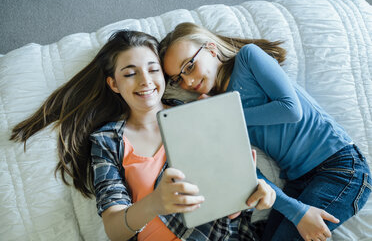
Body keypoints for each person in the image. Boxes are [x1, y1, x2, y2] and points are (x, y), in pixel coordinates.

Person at [10, 29, 276, 241]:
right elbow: (114, 230)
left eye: (152, 69)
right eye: (130, 74)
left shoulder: (200, 114)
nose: (145, 81)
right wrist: (155, 203)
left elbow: (229, 208)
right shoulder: (107, 141)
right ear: (113, 84)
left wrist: (252, 192)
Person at [159, 22, 372, 241]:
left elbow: (291, 109)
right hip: (297, 181)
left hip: (341, 167)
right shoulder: (216, 112)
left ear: (211, 49)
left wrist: (224, 114)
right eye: (178, 79)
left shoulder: (248, 58)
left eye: (189, 67)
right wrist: (297, 212)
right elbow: (248, 175)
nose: (188, 81)